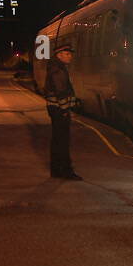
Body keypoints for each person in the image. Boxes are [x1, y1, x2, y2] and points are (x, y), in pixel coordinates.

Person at [44, 43, 82, 180]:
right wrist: (65, 109)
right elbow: (60, 91)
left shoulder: (55, 67)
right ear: (59, 55)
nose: (70, 56)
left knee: (57, 140)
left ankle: (56, 170)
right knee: (63, 141)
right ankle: (66, 171)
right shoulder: (58, 70)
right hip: (60, 110)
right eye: (67, 54)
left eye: (70, 54)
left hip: (55, 109)